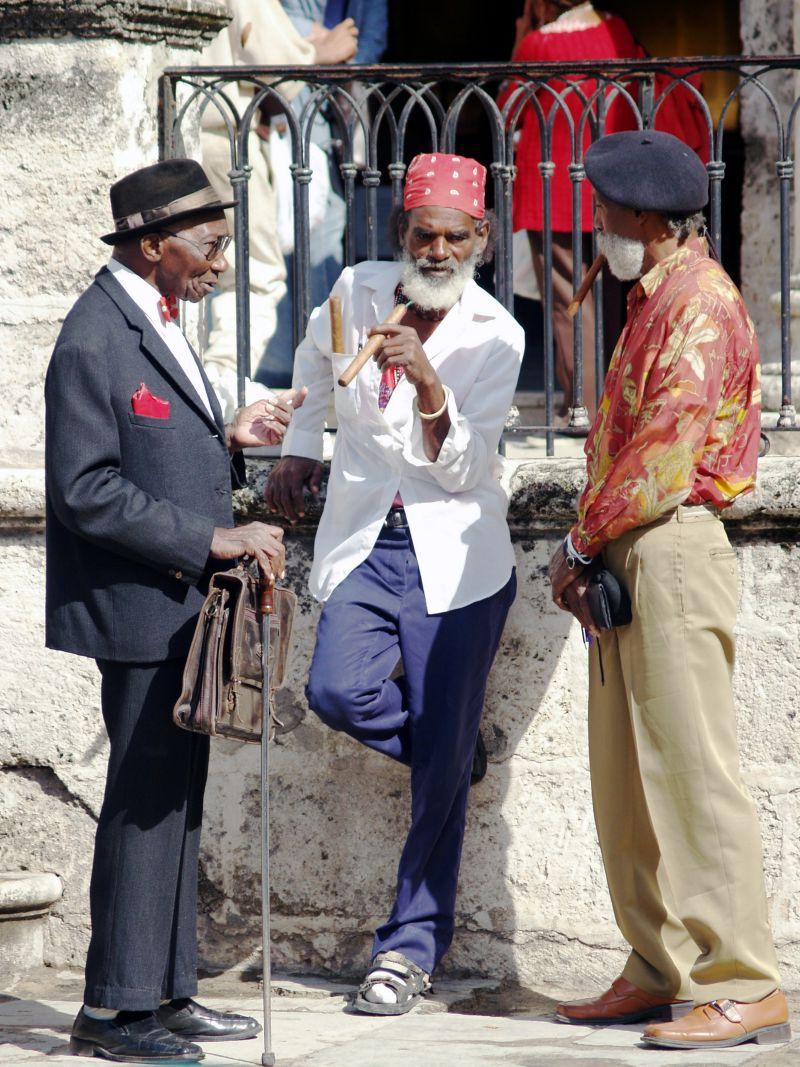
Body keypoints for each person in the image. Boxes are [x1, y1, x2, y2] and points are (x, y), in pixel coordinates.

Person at [45, 159, 303, 1063]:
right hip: (137, 608)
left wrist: (226, 436)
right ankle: (114, 1011)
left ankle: (167, 987)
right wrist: (213, 539)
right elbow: (87, 490)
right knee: (144, 801)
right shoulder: (94, 337)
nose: (220, 264)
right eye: (210, 247)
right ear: (151, 245)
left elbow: (155, 441)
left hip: (175, 604)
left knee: (178, 802)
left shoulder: (153, 317)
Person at [265, 153, 523, 1014]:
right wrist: (302, 441)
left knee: (440, 764)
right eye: (424, 235)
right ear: (400, 233)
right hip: (369, 541)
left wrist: (428, 385)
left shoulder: (496, 333)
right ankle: (448, 755)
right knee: (336, 690)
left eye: (455, 237)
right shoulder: (357, 287)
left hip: (457, 557)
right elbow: (312, 362)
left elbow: (465, 470)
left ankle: (407, 950)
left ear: (481, 238)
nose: (439, 250)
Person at [548, 131, 789, 1051]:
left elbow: (663, 453)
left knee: (691, 774)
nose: (598, 221)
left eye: (608, 208)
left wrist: (576, 540)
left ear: (644, 216)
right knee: (626, 783)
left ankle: (743, 980)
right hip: (626, 544)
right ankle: (658, 968)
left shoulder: (699, 301)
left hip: (669, 543)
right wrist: (591, 545)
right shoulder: (653, 293)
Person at [502, 0, 709, 422]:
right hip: (613, 191)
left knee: (569, 305)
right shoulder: (619, 33)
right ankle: (619, 406)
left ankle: (585, 409)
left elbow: (509, 111)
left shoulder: (538, 46)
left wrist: (521, 36)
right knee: (615, 304)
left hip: (554, 186)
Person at [200, 0, 358, 418]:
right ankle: (218, 388)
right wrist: (320, 52)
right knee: (254, 276)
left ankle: (204, 384)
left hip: (197, 130)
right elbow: (277, 60)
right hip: (223, 135)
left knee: (202, 267)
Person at [258, 0, 389, 388]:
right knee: (282, 239)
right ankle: (288, 364)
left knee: (324, 236)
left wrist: (331, 56)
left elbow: (365, 38)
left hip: (328, 113)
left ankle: (328, 358)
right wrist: (311, 45)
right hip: (285, 110)